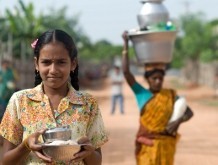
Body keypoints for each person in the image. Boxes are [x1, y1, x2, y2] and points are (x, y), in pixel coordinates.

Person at [0, 29, 108, 165]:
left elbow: (97, 162)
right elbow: (5, 161)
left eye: (61, 62)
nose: (53, 70)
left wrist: (88, 152)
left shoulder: (88, 103)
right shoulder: (20, 101)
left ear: (73, 64)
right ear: (36, 64)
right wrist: (26, 146)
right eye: (46, 62)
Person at [121, 31, 193, 165]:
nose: (158, 81)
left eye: (161, 78)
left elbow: (189, 112)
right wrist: (125, 44)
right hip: (148, 146)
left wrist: (177, 122)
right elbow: (126, 72)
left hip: (167, 146)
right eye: (155, 78)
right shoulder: (142, 93)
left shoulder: (170, 95)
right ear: (148, 79)